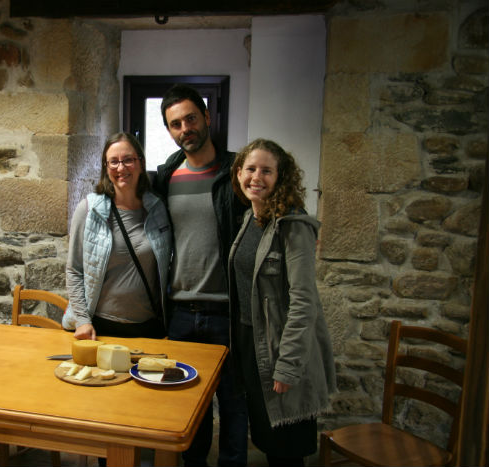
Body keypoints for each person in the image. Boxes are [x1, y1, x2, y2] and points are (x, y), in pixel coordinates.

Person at [152, 84, 248, 467]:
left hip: (228, 311)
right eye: (175, 124)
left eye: (190, 118)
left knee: (234, 406)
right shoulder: (166, 177)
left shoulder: (238, 172)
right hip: (180, 311)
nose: (184, 128)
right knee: (191, 410)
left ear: (207, 117)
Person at [228, 138, 336, 467]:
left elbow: (304, 302)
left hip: (281, 349)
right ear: (239, 173)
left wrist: (288, 364)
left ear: (281, 176)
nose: (256, 177)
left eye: (267, 171)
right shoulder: (251, 218)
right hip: (252, 344)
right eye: (250, 169)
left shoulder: (293, 225)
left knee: (287, 448)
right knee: (267, 438)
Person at [62, 132, 171, 340]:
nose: (121, 168)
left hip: (148, 328)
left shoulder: (157, 209)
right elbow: (74, 270)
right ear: (106, 167)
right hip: (100, 328)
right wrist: (83, 321)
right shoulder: (89, 210)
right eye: (113, 162)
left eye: (128, 160)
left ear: (140, 162)